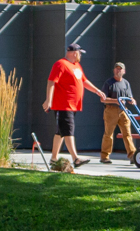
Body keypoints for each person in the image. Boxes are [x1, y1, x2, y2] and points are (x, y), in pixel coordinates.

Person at [44, 41, 108, 169]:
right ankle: (76, 158)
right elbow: (51, 82)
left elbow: (84, 81)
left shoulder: (76, 65)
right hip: (63, 105)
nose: (80, 55)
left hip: (73, 105)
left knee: (60, 132)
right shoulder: (60, 64)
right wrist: (48, 100)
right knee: (68, 131)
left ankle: (53, 158)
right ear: (73, 53)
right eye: (79, 53)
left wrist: (97, 91)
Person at [100, 62, 137, 163]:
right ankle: (105, 156)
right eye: (116, 68)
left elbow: (129, 96)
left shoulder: (126, 83)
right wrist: (115, 101)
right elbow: (103, 99)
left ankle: (133, 155)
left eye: (120, 69)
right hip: (111, 110)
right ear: (114, 70)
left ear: (124, 71)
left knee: (127, 133)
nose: (118, 70)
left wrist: (132, 100)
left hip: (123, 110)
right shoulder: (109, 83)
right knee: (109, 134)